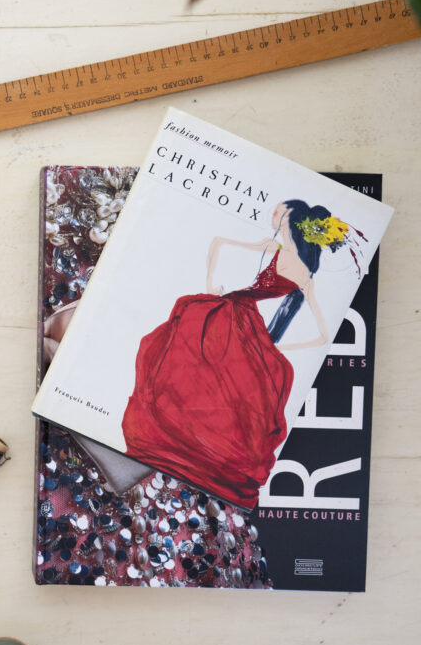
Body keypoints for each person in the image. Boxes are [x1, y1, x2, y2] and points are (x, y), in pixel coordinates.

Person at [120, 200, 349, 510]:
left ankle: (177, 442)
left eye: (280, 211)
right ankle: (177, 443)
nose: (274, 214)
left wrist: (214, 288)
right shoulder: (292, 260)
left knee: (190, 357)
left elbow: (219, 243)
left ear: (292, 219)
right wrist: (272, 347)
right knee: (191, 361)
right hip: (239, 316)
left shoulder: (280, 252)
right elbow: (219, 242)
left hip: (236, 317)